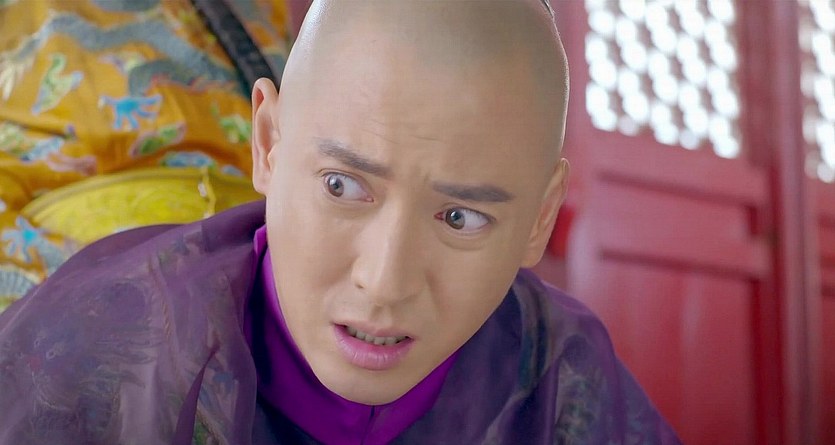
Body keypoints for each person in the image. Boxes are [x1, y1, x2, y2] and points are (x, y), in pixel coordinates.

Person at [0, 1, 682, 444]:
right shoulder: (93, 356)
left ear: (538, 218)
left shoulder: (565, 384)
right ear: (268, 144)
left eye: (460, 216)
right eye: (341, 185)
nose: (384, 282)